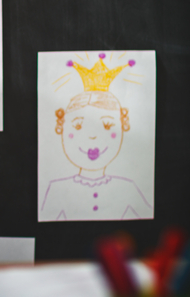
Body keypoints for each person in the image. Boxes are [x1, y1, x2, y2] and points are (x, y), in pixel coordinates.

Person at [39, 56, 152, 221]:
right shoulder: (56, 190)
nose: (92, 136)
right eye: (78, 126)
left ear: (123, 126)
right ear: (61, 127)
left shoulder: (128, 188)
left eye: (107, 125)